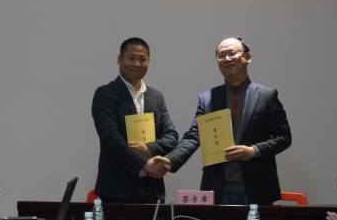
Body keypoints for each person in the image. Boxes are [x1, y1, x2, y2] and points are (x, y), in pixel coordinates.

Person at [163, 37, 292, 205]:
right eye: (221, 55)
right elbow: (194, 136)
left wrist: (253, 151)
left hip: (257, 189)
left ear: (247, 57)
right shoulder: (208, 98)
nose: (227, 59)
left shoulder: (267, 96)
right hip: (217, 190)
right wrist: (170, 160)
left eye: (232, 53)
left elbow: (284, 137)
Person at [91, 37, 179, 203]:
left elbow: (171, 135)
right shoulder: (105, 94)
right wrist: (144, 164)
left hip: (153, 189)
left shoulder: (156, 96)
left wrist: (148, 149)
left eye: (142, 59)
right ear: (120, 59)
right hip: (116, 190)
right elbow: (111, 139)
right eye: (131, 58)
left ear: (149, 62)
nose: (137, 64)